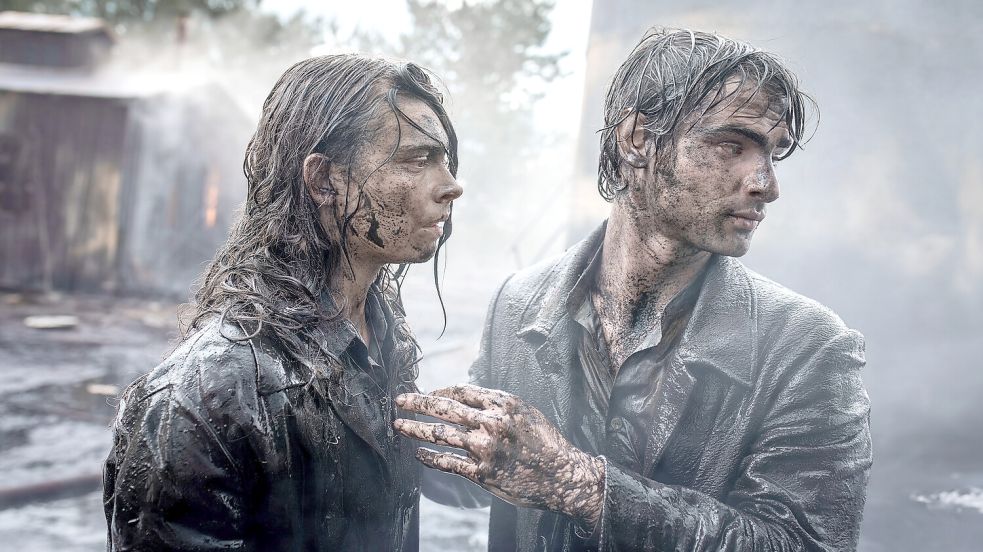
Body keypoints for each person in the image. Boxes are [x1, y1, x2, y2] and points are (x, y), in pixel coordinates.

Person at [395, 27, 872, 551]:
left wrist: (578, 483)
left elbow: (806, 544)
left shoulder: (810, 348)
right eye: (731, 145)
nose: (766, 184)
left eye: (773, 154)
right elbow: (485, 472)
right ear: (637, 138)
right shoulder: (520, 303)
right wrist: (373, 407)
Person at [103, 54, 463, 551]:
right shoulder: (200, 398)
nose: (451, 186)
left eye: (444, 161)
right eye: (417, 160)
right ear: (324, 180)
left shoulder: (382, 340)